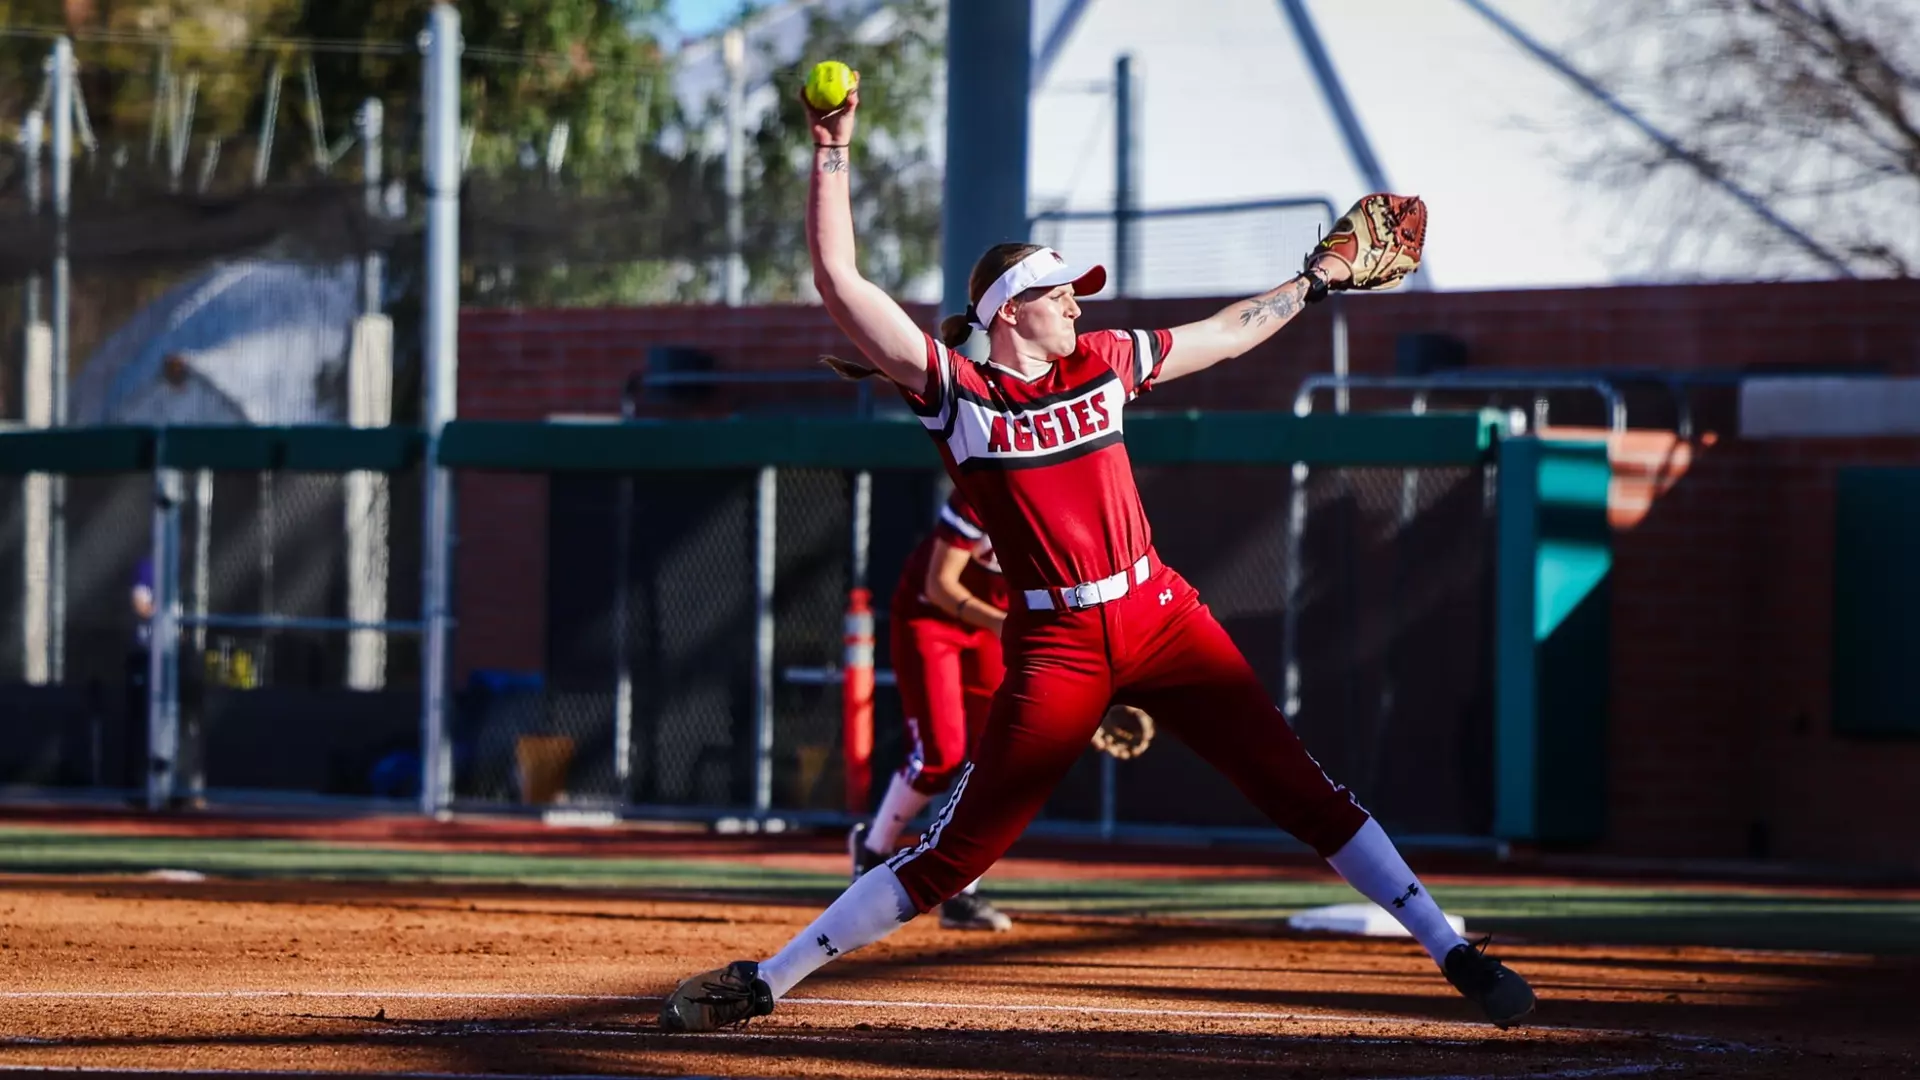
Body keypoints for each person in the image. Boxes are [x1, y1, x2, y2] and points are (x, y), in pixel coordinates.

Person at [660, 80, 1534, 1033]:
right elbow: (839, 283)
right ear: (1010, 312)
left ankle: (1453, 952)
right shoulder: (958, 393)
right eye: (1062, 294)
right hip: (1060, 642)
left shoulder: (1108, 362)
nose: (1080, 304)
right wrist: (833, 148)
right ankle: (768, 980)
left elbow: (1226, 334)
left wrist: (1314, 281)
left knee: (1299, 785)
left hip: (1164, 615)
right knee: (958, 854)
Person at [850, 487, 1014, 932]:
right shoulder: (986, 490)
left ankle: (962, 893)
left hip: (994, 626)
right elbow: (938, 585)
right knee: (939, 757)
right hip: (932, 617)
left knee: (1000, 757)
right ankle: (874, 854)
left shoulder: (1075, 509)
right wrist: (1004, 625)